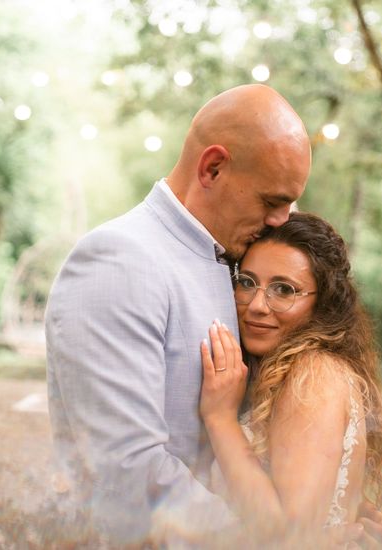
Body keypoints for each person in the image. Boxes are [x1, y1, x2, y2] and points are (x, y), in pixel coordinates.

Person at [44, 84, 312, 544]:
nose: (282, 221)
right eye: (272, 202)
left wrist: (317, 512)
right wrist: (271, 540)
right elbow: (128, 474)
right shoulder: (119, 261)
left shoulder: (239, 259)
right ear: (213, 167)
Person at [199, 212, 382, 542]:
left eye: (284, 289)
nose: (257, 306)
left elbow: (287, 537)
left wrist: (220, 418)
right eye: (247, 283)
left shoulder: (312, 376)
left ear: (322, 303)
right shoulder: (291, 372)